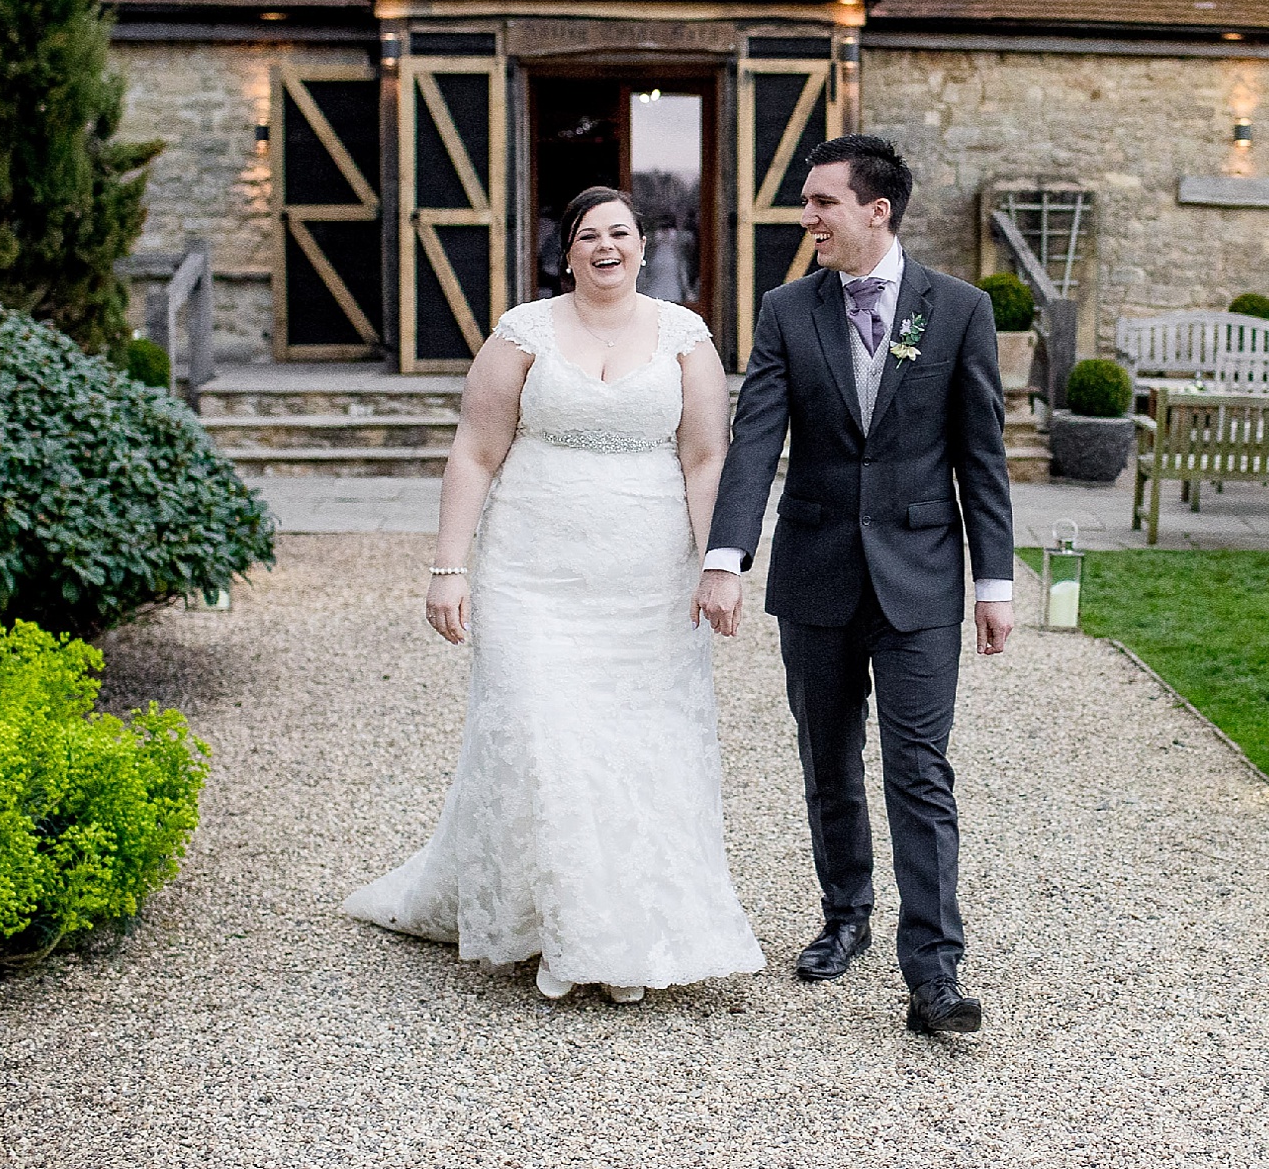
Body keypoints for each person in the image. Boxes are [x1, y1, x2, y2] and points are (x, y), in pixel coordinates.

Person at [342, 187, 764, 1004]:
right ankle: (563, 928)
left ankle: (625, 934)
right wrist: (447, 567)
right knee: (544, 740)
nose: (606, 246)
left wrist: (721, 565)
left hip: (647, 582)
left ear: (646, 247)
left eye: (621, 233)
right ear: (565, 251)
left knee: (635, 751)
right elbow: (474, 449)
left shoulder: (685, 338)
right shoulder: (523, 333)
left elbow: (707, 457)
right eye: (588, 235)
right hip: (531, 576)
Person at [698, 135, 1015, 1036]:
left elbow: (981, 458)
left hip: (920, 579)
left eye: (823, 202)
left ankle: (936, 974)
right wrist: (726, 557)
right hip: (816, 573)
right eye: (808, 202)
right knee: (828, 762)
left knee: (920, 770)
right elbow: (757, 438)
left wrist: (994, 582)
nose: (809, 219)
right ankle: (846, 917)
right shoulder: (788, 311)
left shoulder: (955, 310)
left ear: (878, 210)